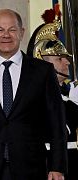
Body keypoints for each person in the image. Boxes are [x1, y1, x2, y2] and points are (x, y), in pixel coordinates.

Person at [0, 9, 67, 180]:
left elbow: (56, 122)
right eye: (0, 30)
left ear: (22, 33)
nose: (6, 35)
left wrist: (57, 166)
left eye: (12, 29)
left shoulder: (43, 71)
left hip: (32, 168)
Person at [27, 11, 78, 180]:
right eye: (59, 58)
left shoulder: (67, 97)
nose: (67, 62)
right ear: (40, 60)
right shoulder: (31, 99)